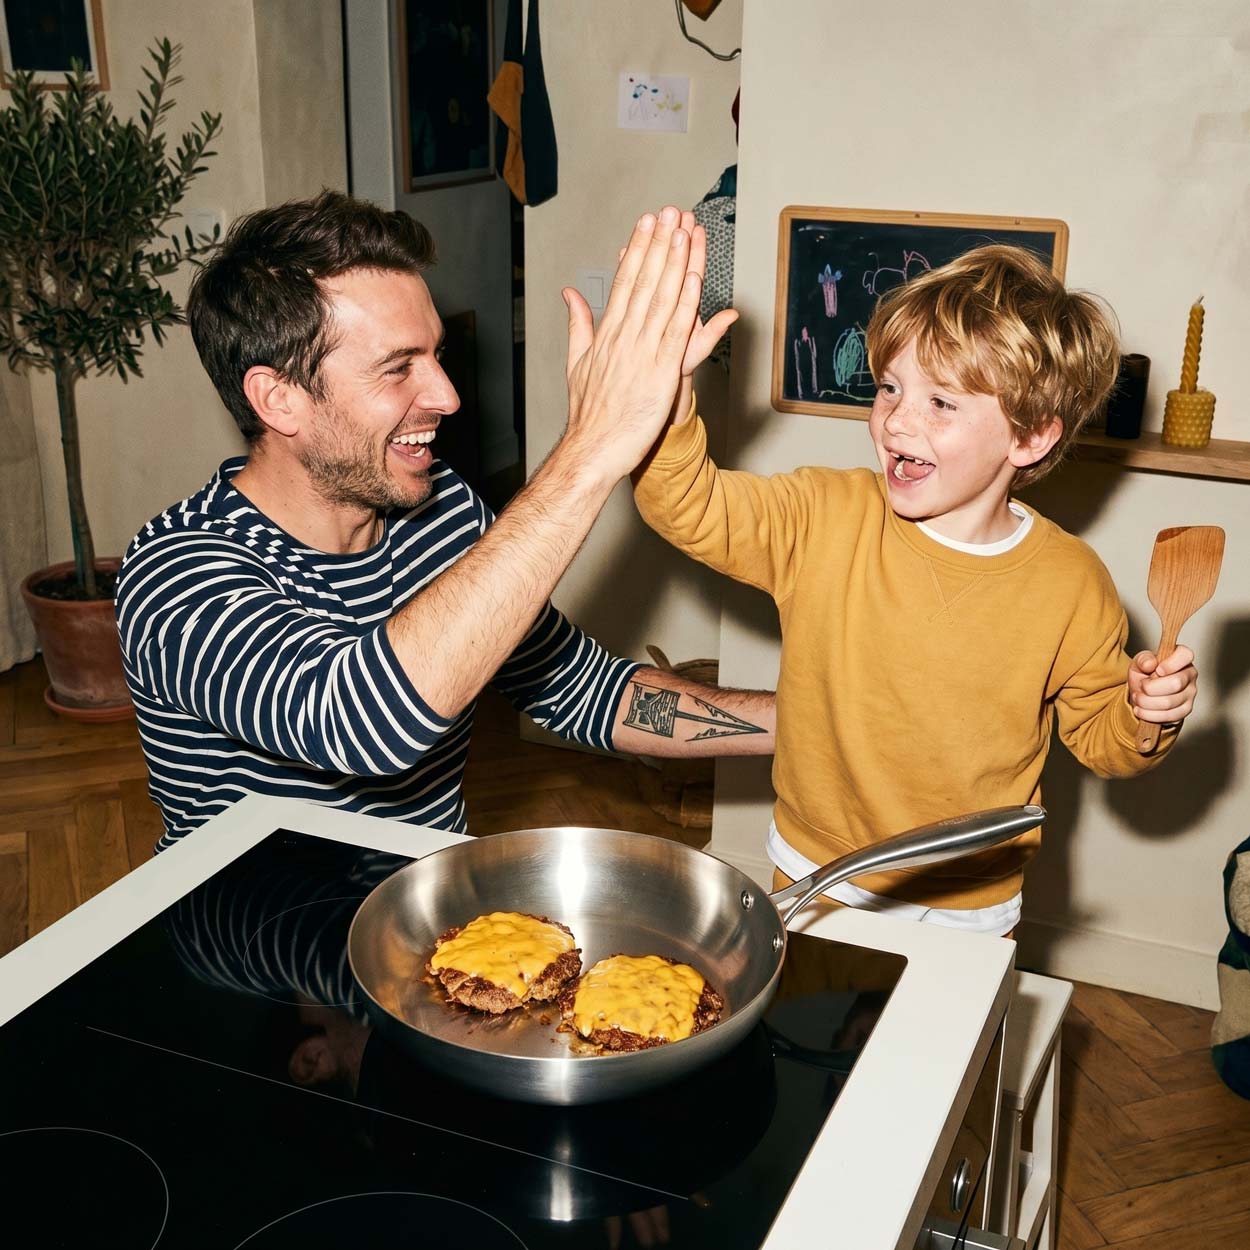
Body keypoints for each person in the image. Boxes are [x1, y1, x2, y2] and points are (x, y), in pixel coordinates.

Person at [115, 193, 772, 849]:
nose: (447, 396)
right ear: (279, 398)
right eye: (398, 367)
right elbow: (361, 723)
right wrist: (593, 448)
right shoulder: (177, 570)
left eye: (436, 354)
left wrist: (808, 723)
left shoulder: (442, 510)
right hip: (256, 942)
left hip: (430, 922)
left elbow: (582, 689)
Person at [633, 241, 1200, 937]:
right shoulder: (824, 515)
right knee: (812, 1043)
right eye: (889, 387)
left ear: (1029, 438)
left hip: (972, 901)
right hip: (818, 875)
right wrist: (665, 403)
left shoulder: (1073, 584)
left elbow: (1105, 742)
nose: (898, 419)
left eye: (941, 402)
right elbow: (688, 504)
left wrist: (1149, 713)